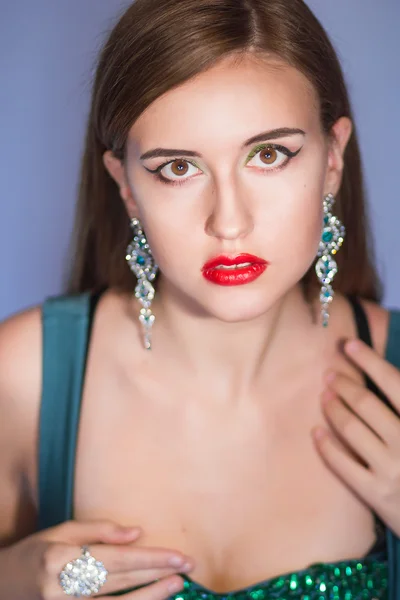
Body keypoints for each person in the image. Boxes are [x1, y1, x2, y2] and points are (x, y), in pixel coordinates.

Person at [1, 0, 400, 598]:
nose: (229, 222)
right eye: (179, 168)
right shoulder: (25, 375)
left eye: (269, 155)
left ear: (333, 159)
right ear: (127, 187)